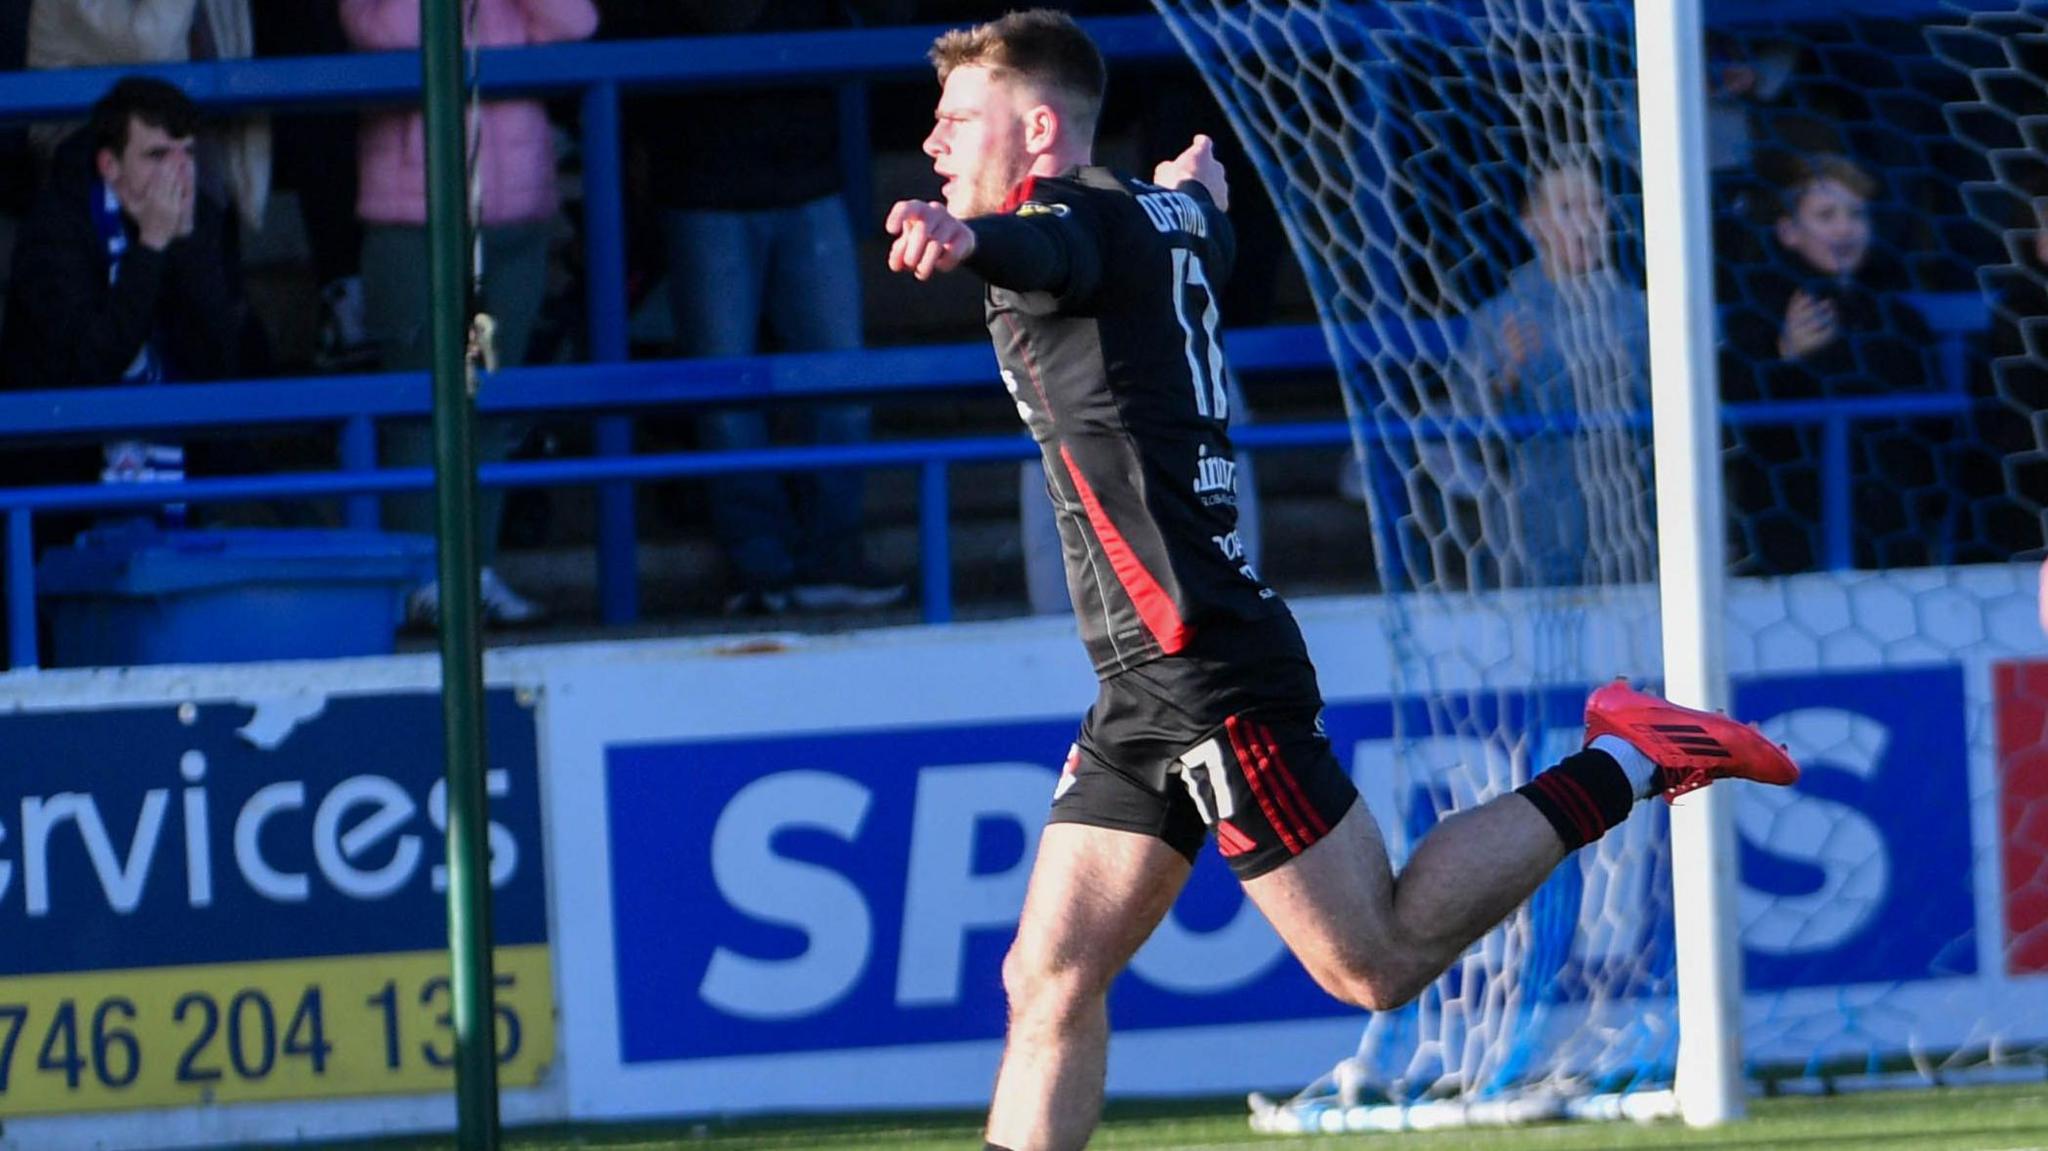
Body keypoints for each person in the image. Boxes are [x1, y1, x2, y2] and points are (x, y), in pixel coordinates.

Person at [881, 12, 1801, 1150]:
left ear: (1035, 129)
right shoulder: (1155, 218)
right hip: (1142, 680)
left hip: (1201, 667)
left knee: (1377, 960)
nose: (929, 141)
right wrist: (1199, 201)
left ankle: (1630, 755)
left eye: (955, 119)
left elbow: (1045, 250)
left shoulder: (1062, 223)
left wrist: (962, 241)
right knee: (1046, 976)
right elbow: (1185, 246)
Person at [608, 0, 906, 617]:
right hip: (702, 186)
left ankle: (832, 556)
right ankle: (761, 563)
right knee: (725, 391)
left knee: (842, 383)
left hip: (807, 178)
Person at [340, 0, 598, 627]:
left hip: (512, 220)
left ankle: (475, 570)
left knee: (486, 394)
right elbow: (385, 30)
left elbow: (575, 21)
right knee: (422, 402)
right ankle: (420, 577)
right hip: (415, 224)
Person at [1, 75, 241, 522]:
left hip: (184, 481)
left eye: (187, 153)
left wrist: (186, 248)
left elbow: (220, 361)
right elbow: (89, 363)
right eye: (155, 156)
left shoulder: (201, 219)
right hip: (60, 485)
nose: (177, 173)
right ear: (109, 166)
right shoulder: (54, 234)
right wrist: (151, 249)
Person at [1717, 152, 1947, 574]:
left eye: (1856, 215)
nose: (1845, 227)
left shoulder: (1896, 312)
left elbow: (1931, 423)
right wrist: (1783, 353)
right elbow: (1733, 409)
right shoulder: (1761, 308)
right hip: (1795, 526)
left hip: (1891, 522)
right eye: (1826, 215)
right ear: (1788, 231)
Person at [1449, 155, 1653, 588]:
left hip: (1634, 527)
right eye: (1567, 209)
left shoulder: (1641, 312)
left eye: (1595, 206)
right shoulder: (1498, 319)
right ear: (1531, 224)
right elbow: (1467, 440)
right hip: (1534, 530)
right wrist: (1506, 376)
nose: (1587, 223)